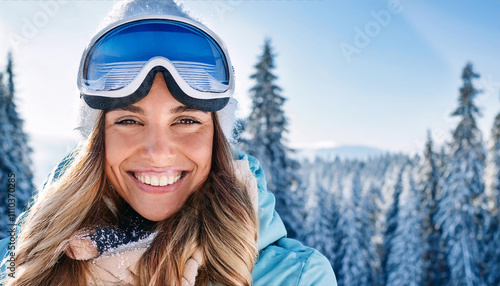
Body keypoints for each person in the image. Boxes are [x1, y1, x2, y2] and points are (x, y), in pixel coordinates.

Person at [0, 1, 336, 285]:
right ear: (97, 140)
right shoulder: (17, 262)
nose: (159, 153)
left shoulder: (295, 277)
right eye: (129, 121)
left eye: (187, 121)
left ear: (216, 139)